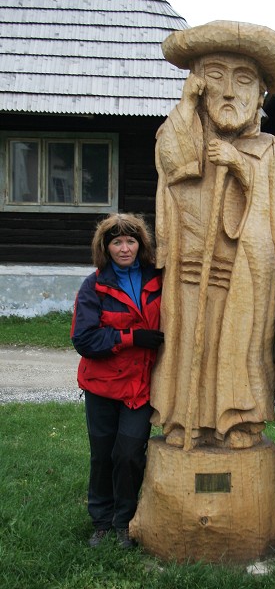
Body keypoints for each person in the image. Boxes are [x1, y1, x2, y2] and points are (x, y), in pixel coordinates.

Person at [151, 20, 275, 450]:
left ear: (260, 95)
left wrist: (237, 164)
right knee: (185, 341)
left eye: (243, 79)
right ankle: (182, 419)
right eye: (215, 76)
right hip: (188, 268)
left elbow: (270, 212)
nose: (229, 91)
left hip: (242, 273)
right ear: (197, 83)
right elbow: (176, 163)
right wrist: (184, 105)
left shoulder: (272, 150)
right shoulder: (180, 132)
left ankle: (239, 420)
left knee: (238, 347)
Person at [71, 213, 163, 548]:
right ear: (105, 247)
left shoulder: (158, 280)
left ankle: (125, 520)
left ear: (141, 244)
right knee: (103, 454)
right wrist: (130, 337)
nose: (124, 248)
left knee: (129, 454)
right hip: (103, 386)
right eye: (116, 242)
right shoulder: (95, 285)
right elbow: (84, 339)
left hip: (140, 387)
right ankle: (101, 521)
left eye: (130, 241)